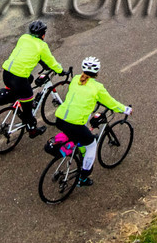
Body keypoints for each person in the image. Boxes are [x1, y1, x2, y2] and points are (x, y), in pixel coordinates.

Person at [53, 56, 131, 187]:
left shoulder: (75, 79)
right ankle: (83, 177)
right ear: (97, 72)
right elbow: (111, 103)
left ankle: (77, 151)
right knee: (92, 144)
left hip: (60, 119)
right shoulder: (97, 87)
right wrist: (126, 109)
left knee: (81, 133)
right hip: (75, 123)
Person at [1, 19, 62, 136]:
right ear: (43, 34)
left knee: (29, 79)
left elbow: (30, 53)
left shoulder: (23, 38)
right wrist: (61, 71)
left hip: (7, 74)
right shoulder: (42, 46)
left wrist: (42, 63)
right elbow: (52, 62)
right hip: (18, 79)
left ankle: (18, 103)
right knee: (28, 108)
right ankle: (32, 130)